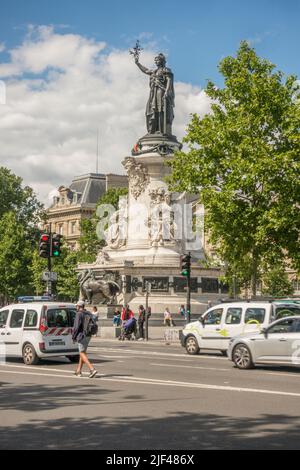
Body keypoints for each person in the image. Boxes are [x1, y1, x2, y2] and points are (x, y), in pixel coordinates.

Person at [72, 301, 98, 378]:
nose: (76, 307)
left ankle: (92, 369)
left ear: (79, 306)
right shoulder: (88, 313)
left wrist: (73, 337)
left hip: (81, 335)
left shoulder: (79, 314)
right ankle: (78, 371)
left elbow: (76, 327)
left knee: (82, 353)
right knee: (82, 353)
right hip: (89, 335)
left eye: (76, 306)